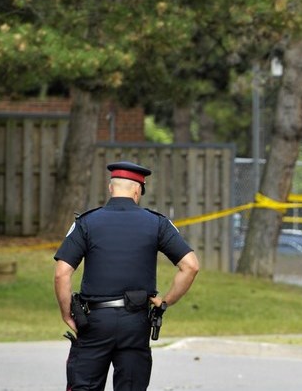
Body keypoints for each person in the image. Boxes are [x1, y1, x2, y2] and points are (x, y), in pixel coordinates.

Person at [54, 161, 200, 391]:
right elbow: (190, 266)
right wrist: (164, 303)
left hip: (94, 321)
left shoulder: (86, 223)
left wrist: (66, 313)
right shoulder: (157, 223)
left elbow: (62, 273)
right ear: (137, 190)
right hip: (136, 321)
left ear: (111, 188)